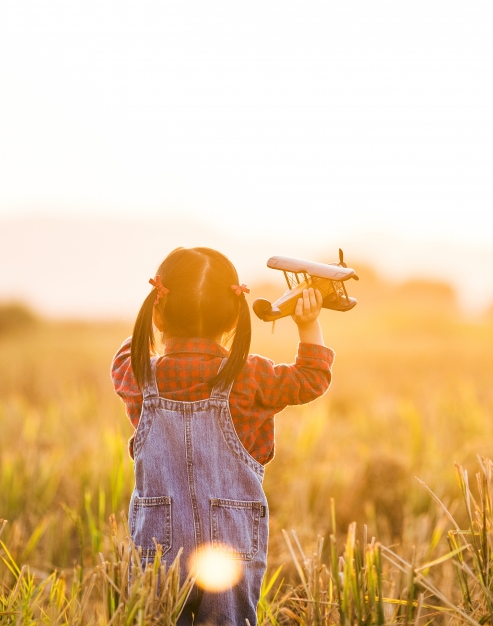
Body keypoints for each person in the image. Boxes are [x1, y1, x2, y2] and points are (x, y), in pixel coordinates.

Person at [110, 247, 334, 625]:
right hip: (232, 550)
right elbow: (311, 378)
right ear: (234, 316)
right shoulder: (250, 376)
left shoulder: (137, 375)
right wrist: (307, 323)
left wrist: (157, 307)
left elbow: (127, 353)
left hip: (158, 551)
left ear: (158, 313)